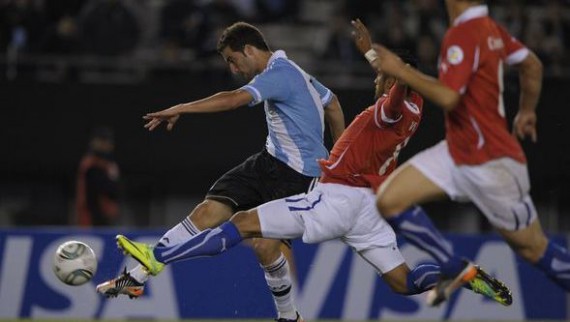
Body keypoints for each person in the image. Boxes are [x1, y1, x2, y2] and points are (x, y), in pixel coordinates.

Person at [108, 28, 511, 308]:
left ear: (394, 80)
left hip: (337, 196)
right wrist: (374, 55)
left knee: (244, 226)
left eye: (382, 75)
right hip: (370, 208)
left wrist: (391, 65)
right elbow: (344, 97)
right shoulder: (412, 108)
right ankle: (458, 274)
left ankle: (159, 258)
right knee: (402, 280)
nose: (376, 80)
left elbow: (393, 84)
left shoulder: (390, 108)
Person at [97, 21, 345, 322]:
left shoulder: (280, 75)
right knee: (206, 212)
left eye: (233, 59)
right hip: (269, 161)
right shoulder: (297, 73)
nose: (233, 68)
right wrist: (338, 155)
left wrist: (182, 108)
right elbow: (332, 104)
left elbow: (232, 100)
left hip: (298, 177)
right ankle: (136, 277)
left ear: (250, 50)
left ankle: (288, 316)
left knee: (265, 248)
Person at [366, 0, 570, 306]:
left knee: (533, 249)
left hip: (492, 163)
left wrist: (399, 71)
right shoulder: (490, 29)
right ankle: (453, 265)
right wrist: (526, 111)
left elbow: (449, 97)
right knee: (389, 201)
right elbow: (532, 66)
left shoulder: (464, 33)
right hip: (457, 152)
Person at [75, 126, 120, 226]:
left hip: (108, 217)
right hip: (92, 218)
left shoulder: (109, 164)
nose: (105, 145)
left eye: (107, 141)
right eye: (101, 141)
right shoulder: (90, 165)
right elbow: (94, 195)